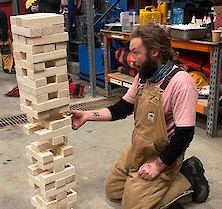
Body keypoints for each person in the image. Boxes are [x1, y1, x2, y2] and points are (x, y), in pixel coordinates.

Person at [69, 25, 209, 209]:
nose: (131, 59)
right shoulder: (144, 77)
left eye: (135, 53)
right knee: (114, 191)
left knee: (133, 206)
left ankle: (188, 175)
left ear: (154, 52)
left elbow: (184, 135)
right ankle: (145, 188)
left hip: (164, 153)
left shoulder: (181, 83)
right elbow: (123, 108)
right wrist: (87, 115)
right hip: (140, 146)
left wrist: (158, 165)